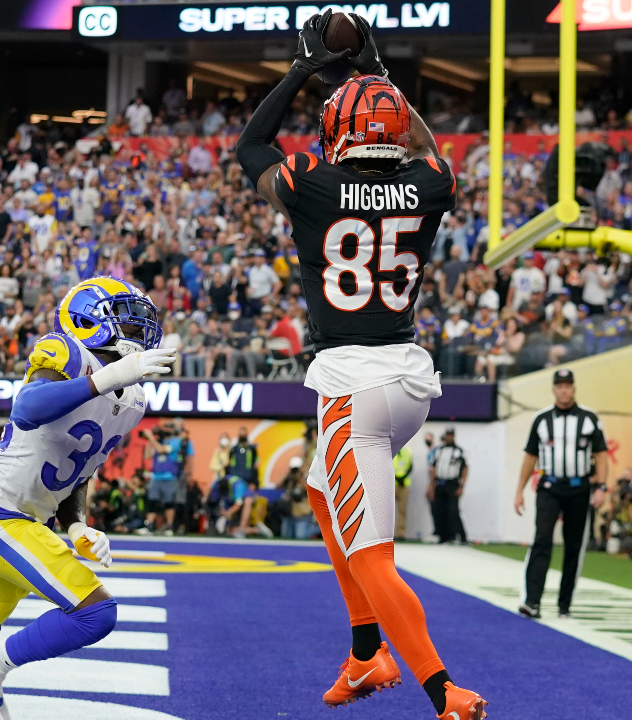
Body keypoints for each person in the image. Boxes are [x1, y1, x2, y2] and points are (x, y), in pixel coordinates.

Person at [235, 12, 484, 719]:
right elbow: (427, 149)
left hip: (354, 387)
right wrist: (379, 80)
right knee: (321, 494)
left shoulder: (311, 178)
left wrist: (305, 69)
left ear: (336, 131)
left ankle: (444, 691)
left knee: (372, 555)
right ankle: (365, 651)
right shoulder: (431, 182)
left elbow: (251, 145)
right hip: (404, 376)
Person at [0, 277, 176, 720]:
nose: (139, 334)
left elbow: (78, 470)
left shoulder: (133, 398)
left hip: (24, 518)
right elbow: (28, 408)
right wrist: (108, 376)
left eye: (141, 324)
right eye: (126, 320)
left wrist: (77, 523)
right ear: (86, 319)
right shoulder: (66, 352)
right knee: (95, 614)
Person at [514, 369, 609, 619]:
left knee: (574, 545)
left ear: (574, 388)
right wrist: (519, 491)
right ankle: (532, 601)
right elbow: (530, 456)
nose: (564, 390)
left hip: (579, 488)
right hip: (549, 486)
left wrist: (601, 487)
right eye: (559, 386)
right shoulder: (542, 419)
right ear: (554, 389)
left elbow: (600, 454)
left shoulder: (589, 418)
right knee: (542, 540)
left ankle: (564, 604)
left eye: (568, 385)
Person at [427, 427, 468, 545]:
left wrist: (462, 486)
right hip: (440, 483)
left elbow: (465, 469)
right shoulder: (439, 451)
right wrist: (431, 485)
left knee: (453, 511)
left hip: (452, 484)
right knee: (439, 510)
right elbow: (433, 468)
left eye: (451, 435)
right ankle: (443, 536)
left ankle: (461, 537)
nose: (449, 437)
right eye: (448, 435)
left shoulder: (459, 451)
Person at [392, 445, 413, 540]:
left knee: (402, 510)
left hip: (404, 484)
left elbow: (410, 466)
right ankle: (386, 534)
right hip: (391, 484)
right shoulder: (390, 450)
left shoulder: (407, 451)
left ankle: (400, 533)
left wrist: (403, 478)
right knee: (387, 511)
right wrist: (396, 477)